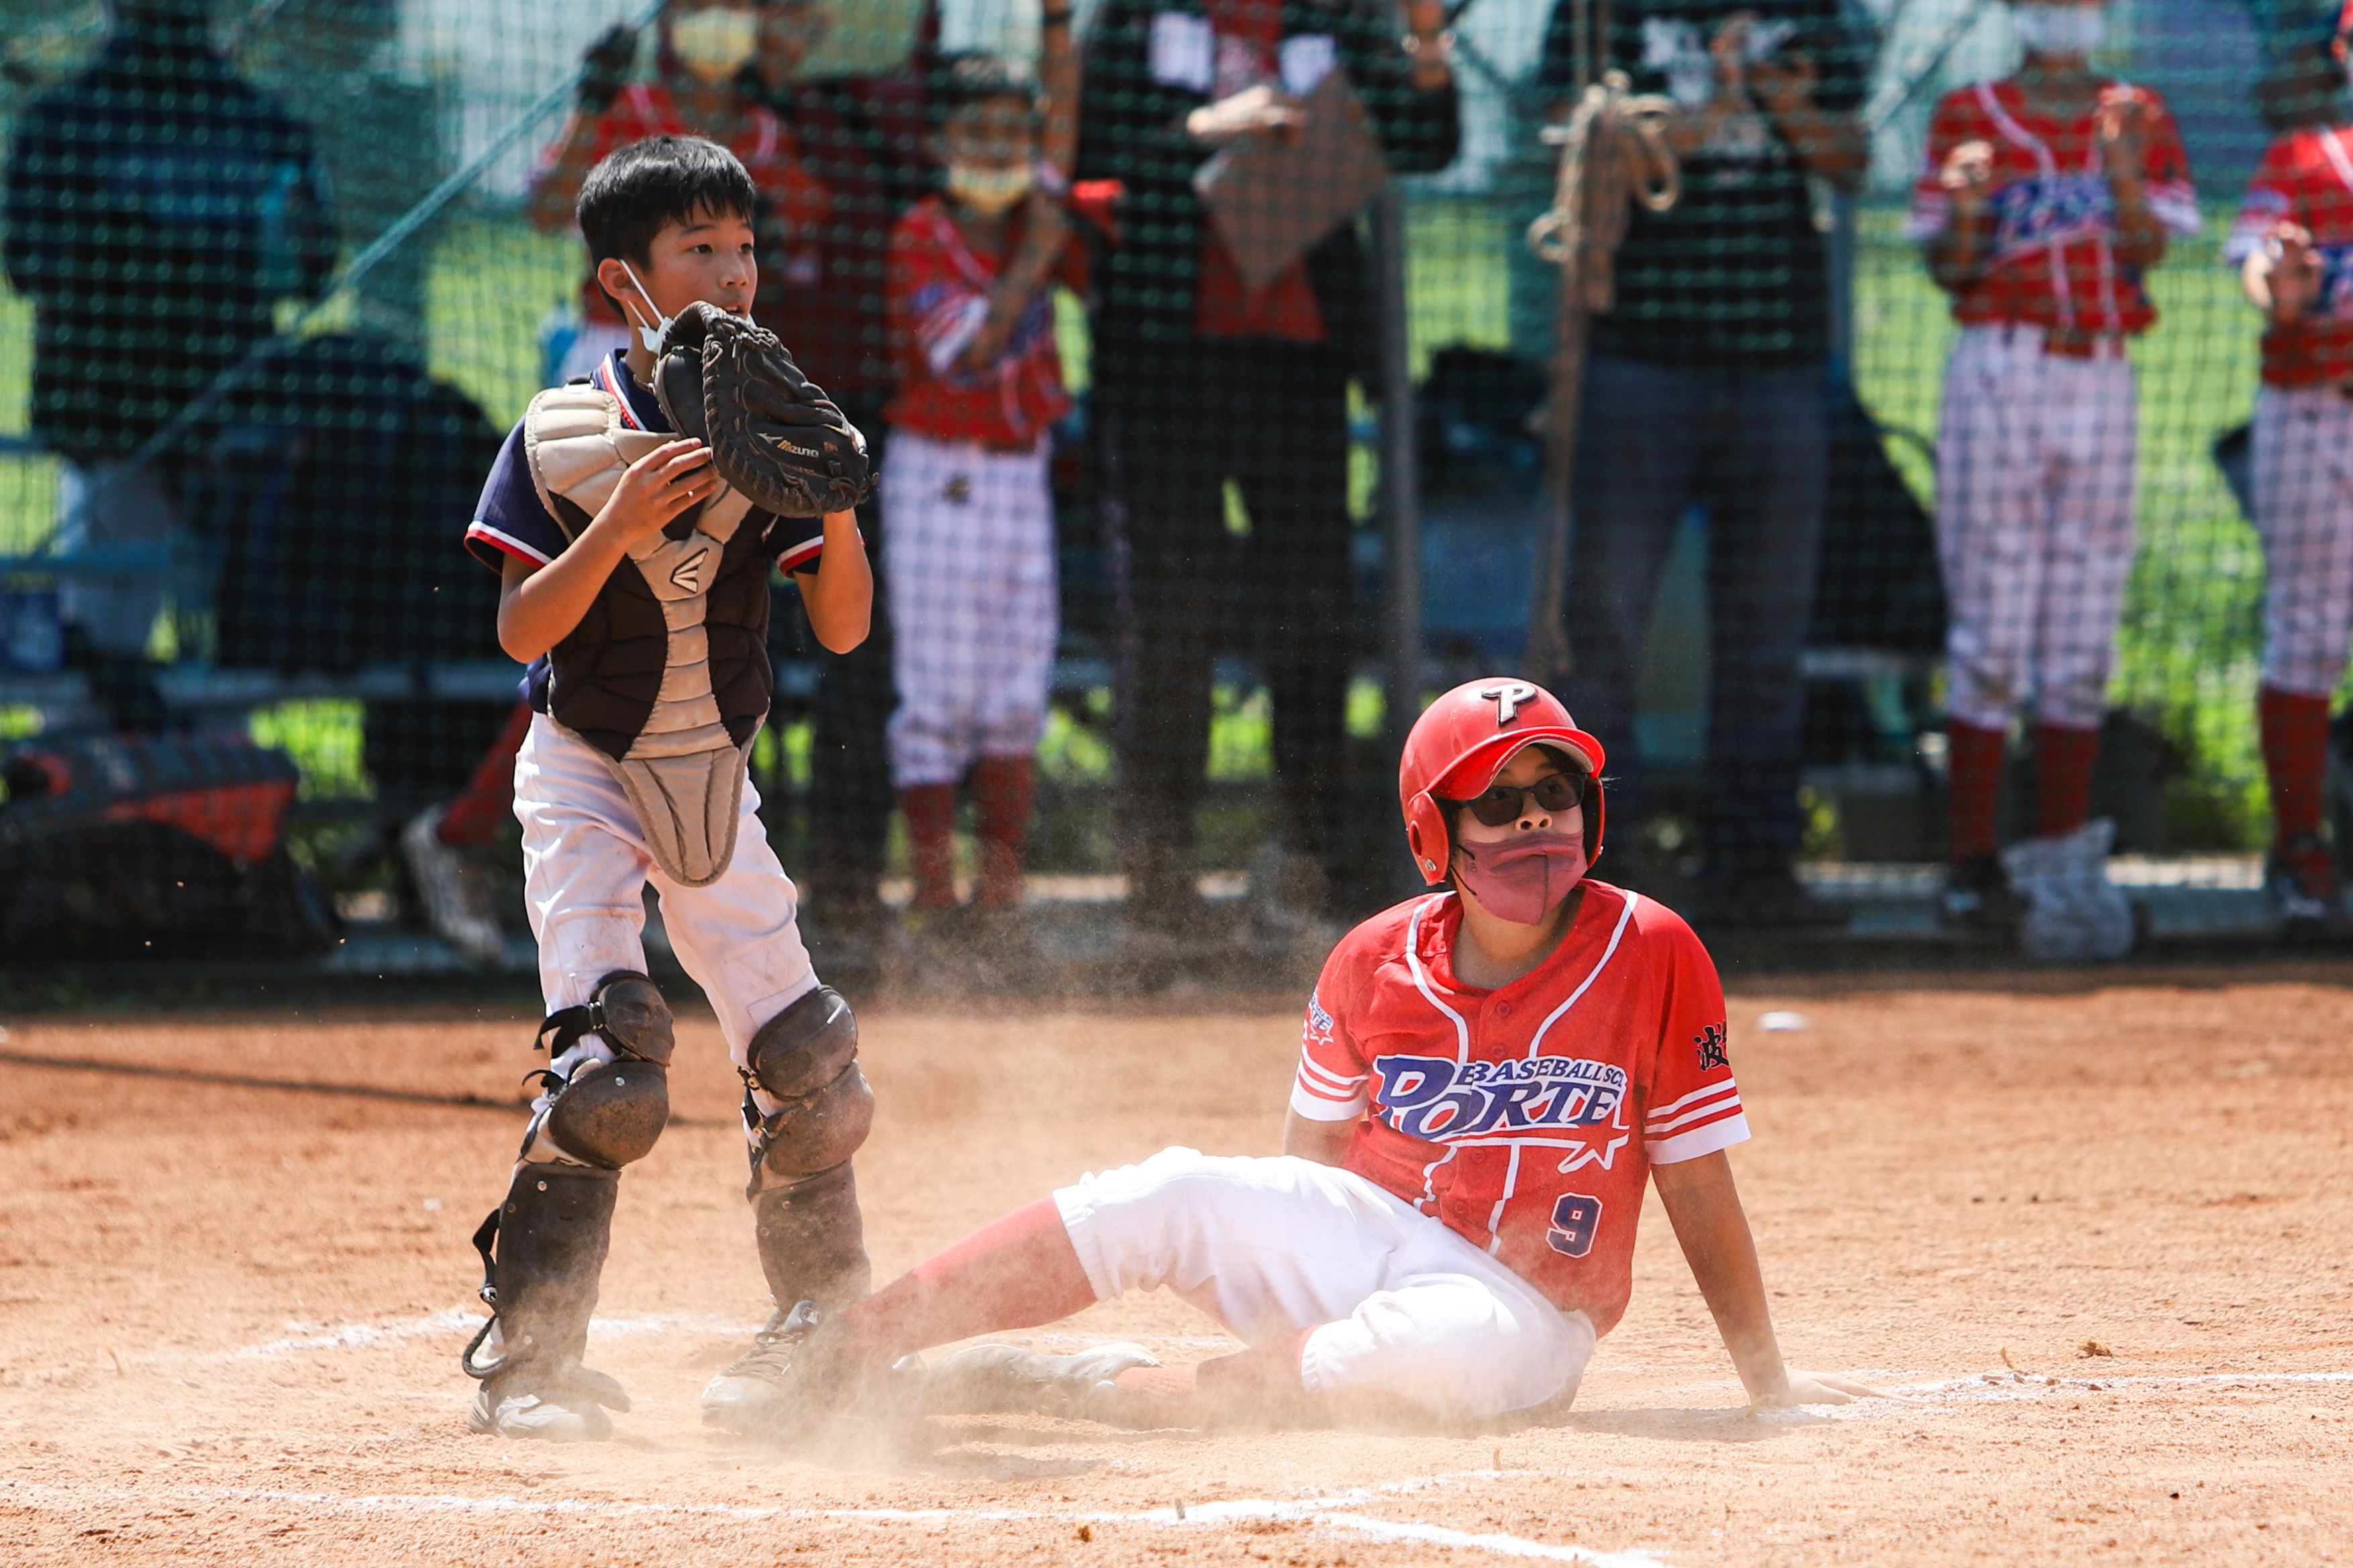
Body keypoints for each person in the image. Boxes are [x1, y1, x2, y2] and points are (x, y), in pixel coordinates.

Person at [713, 677, 1880, 1435]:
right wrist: (1271, 1258)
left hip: (1528, 1316)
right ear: (1434, 830)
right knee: (1173, 1188)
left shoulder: (1651, 949)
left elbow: (1695, 1180)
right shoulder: (1372, 960)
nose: (1533, 815)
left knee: (1436, 1350)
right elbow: (1305, 1174)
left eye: (1555, 789)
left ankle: (1086, 1386)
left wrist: (1767, 1381)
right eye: (1497, 799)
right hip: (1380, 1242)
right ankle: (837, 1346)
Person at [455, 135, 877, 1443]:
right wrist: (621, 524)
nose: (736, 272)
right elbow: (523, 629)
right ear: (622, 280)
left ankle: (820, 1336)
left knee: (808, 1060)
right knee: (611, 1064)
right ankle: (531, 1361)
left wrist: (835, 498)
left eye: (745, 246)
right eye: (701, 248)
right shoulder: (564, 433)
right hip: (583, 769)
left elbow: (845, 628)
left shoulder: (768, 424)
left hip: (713, 771)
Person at [1076, 0, 1460, 931]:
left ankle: (1307, 861)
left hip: (1299, 366)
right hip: (1164, 361)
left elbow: (1424, 140)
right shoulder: (1134, 20)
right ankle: (1161, 872)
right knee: (1173, 612)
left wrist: (1422, 42)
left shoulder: (1341, 19)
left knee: (1310, 613)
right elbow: (1086, 151)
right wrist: (1210, 126)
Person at [1534, 0, 1868, 931]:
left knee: (1767, 633)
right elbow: (1562, 143)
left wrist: (1777, 103)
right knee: (1601, 629)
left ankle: (1754, 868)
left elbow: (1849, 158)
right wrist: (1697, 113)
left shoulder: (1814, 14)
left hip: (1778, 366)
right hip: (1635, 362)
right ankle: (1598, 879)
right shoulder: (1599, 13)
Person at [1911, 0, 2199, 933]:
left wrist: (2120, 176)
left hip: (2102, 370)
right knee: (1990, 628)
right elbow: (1950, 270)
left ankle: (2062, 856)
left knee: (2082, 627)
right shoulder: (1968, 111)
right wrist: (1964, 212)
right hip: (2000, 362)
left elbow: (2148, 249)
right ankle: (1972, 864)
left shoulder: (2137, 111)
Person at [1, 0, 334, 729]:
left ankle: (200, 794)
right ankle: (89, 792)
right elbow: (28, 259)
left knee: (212, 670)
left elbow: (311, 262)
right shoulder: (75, 120)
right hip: (117, 436)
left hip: (226, 443)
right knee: (101, 663)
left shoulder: (256, 123)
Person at [882, 38, 1097, 929]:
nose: (1000, 148)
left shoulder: (1028, 219)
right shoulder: (919, 233)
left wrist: (1057, 25)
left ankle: (1001, 896)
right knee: (937, 694)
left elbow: (1063, 135)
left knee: (1016, 691)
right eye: (978, 131)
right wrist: (1033, 259)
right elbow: (964, 355)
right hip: (940, 472)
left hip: (1021, 471)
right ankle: (936, 897)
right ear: (940, 142)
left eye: (1015, 131)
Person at [2230, 0, 2353, 932]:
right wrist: (2279, 286)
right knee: (2305, 634)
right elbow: (2255, 263)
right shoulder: (2302, 157)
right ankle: (2298, 848)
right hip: (2311, 411)